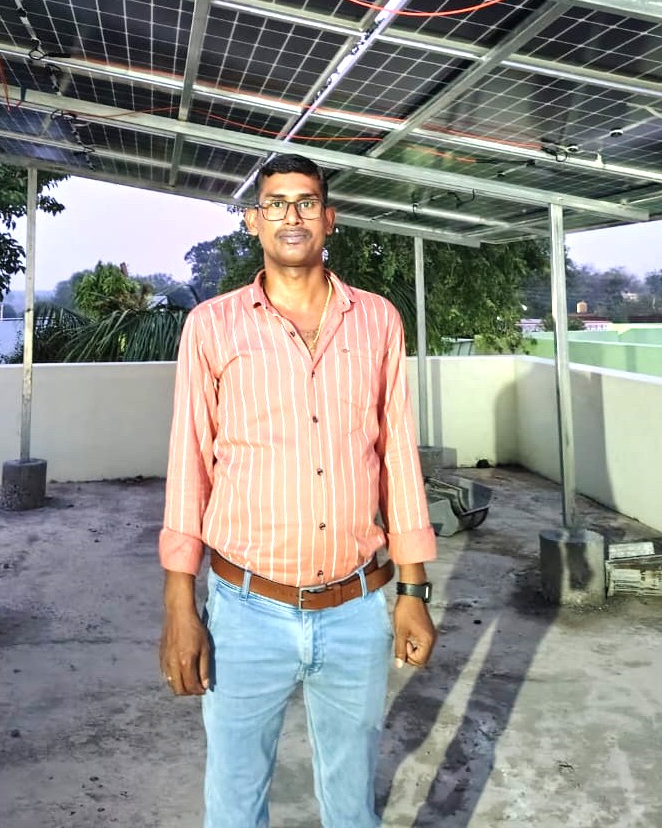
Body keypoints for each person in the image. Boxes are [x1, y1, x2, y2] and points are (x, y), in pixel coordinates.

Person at [159, 154, 437, 828]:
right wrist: (179, 606)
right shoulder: (213, 326)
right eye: (276, 203)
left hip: (356, 609)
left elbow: (398, 458)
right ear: (253, 222)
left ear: (328, 218)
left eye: (306, 202)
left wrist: (413, 591)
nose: (292, 215)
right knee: (234, 802)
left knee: (351, 803)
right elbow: (189, 464)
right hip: (244, 610)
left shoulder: (378, 321)